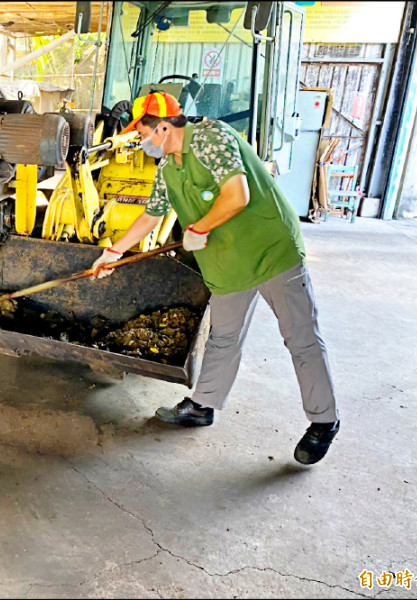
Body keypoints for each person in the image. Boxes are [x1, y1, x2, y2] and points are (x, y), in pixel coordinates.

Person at [91, 92, 339, 465]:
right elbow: (151, 215)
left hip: (271, 251)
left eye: (141, 132)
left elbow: (236, 195)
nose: (141, 142)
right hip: (226, 263)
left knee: (300, 337)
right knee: (223, 339)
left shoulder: (212, 138)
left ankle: (323, 421)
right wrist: (115, 252)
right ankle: (202, 407)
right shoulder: (168, 168)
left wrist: (200, 228)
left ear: (161, 126)